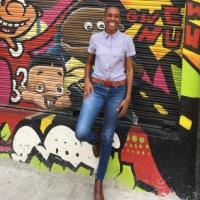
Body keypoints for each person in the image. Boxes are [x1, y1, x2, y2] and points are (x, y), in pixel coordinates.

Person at [75, 6, 136, 200]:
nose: (113, 19)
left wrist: (127, 97)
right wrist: (86, 80)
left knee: (109, 137)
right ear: (104, 18)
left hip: (117, 91)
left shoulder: (126, 40)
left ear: (120, 20)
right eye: (109, 15)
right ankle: (95, 139)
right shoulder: (95, 38)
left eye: (116, 17)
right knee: (81, 132)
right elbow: (89, 62)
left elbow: (129, 70)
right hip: (97, 88)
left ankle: (98, 182)